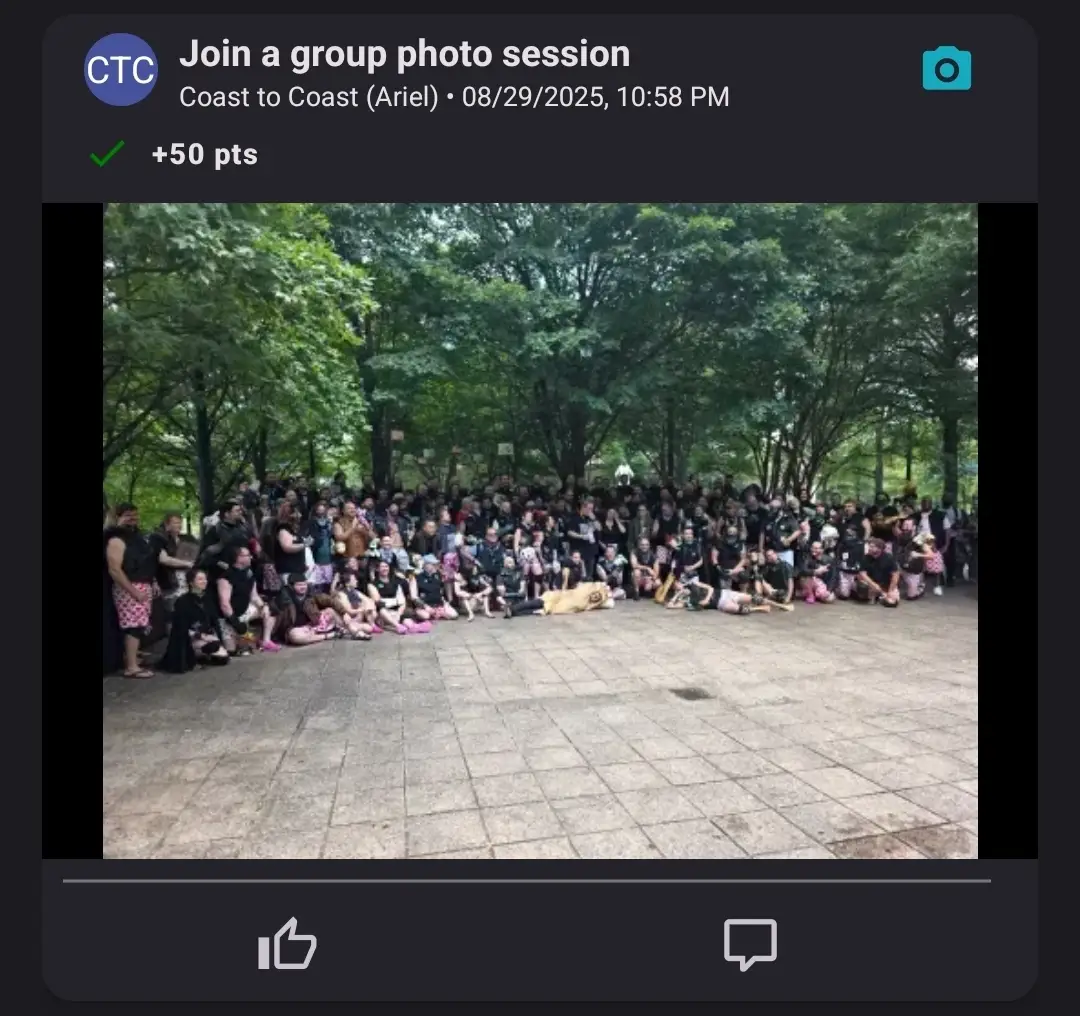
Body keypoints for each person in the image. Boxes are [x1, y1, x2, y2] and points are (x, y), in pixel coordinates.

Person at [104, 503, 160, 679]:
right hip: (129, 587)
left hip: (143, 584)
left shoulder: (136, 537)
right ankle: (131, 667)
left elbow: (146, 562)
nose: (133, 518)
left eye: (135, 515)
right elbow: (114, 569)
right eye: (128, 515)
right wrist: (133, 591)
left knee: (140, 625)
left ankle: (132, 658)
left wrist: (153, 582)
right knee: (133, 627)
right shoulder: (115, 539)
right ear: (118, 517)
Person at [160, 567, 230, 672]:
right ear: (191, 582)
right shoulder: (183, 601)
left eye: (205, 579)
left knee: (223, 657)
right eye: (200, 579)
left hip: (206, 636)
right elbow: (181, 627)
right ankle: (193, 656)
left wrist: (217, 637)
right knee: (210, 647)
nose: (204, 582)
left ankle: (202, 656)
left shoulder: (208, 599)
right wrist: (200, 636)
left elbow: (214, 620)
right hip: (189, 638)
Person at [216, 546, 280, 653]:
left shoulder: (249, 573)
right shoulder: (225, 577)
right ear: (239, 558)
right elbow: (224, 604)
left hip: (245, 610)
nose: (251, 557)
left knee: (271, 610)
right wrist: (236, 623)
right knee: (231, 650)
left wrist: (263, 607)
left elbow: (254, 596)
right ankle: (239, 639)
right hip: (229, 618)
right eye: (247, 555)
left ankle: (266, 641)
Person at [856, 537, 900, 606]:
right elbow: (862, 574)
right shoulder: (865, 557)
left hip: (887, 584)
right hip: (872, 583)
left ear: (879, 549)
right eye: (869, 546)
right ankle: (873, 595)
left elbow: (895, 575)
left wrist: (891, 590)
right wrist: (873, 585)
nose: (869, 548)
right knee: (862, 585)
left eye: (872, 547)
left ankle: (881, 596)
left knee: (893, 601)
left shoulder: (889, 558)